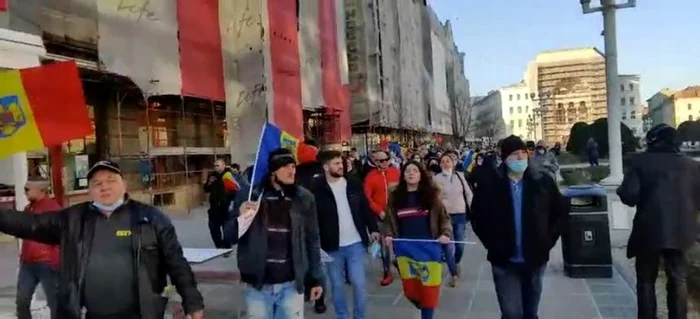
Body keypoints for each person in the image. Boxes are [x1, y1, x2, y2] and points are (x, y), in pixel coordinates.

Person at [0, 161, 204, 319]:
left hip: (142, 314)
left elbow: (176, 263)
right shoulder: (73, 219)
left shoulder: (151, 219)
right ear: (90, 190)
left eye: (111, 180)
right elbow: (28, 224)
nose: (104, 187)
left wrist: (192, 301)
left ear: (124, 184)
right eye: (97, 183)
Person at [470, 136, 568, 319]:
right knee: (511, 312)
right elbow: (477, 216)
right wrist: (491, 242)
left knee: (530, 312)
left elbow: (560, 212)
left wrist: (547, 240)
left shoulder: (542, 182)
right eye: (515, 154)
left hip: (535, 258)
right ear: (505, 158)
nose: (521, 158)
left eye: (523, 153)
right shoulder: (491, 184)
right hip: (504, 261)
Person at [227, 148, 324, 318]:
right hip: (258, 286)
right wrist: (239, 217)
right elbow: (228, 236)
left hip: (291, 285)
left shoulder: (304, 198)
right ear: (273, 171)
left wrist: (316, 278)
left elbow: (312, 240)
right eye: (286, 166)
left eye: (293, 166)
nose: (292, 170)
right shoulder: (249, 196)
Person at [617, 124, 700, 319]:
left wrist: (623, 189)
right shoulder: (693, 166)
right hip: (682, 231)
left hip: (648, 231)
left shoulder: (640, 162)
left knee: (646, 280)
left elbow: (629, 196)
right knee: (678, 280)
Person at [311, 150, 380, 319]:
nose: (340, 166)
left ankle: (359, 316)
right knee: (337, 285)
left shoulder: (353, 184)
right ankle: (342, 316)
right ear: (326, 167)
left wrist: (373, 228)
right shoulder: (316, 189)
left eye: (340, 163)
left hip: (355, 242)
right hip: (331, 245)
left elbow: (365, 208)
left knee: (359, 283)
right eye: (336, 163)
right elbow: (311, 216)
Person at [382, 161, 452, 319]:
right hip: (405, 251)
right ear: (403, 175)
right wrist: (388, 234)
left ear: (421, 175)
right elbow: (388, 221)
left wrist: (445, 234)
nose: (411, 173)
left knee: (429, 290)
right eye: (407, 171)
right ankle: (420, 303)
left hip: (429, 249)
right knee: (411, 289)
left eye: (415, 170)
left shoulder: (431, 196)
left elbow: (444, 218)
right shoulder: (395, 197)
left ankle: (427, 315)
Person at [17, 177, 62, 319]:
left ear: (41, 190)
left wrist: (57, 260)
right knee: (22, 301)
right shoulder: (28, 209)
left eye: (27, 189)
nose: (25, 193)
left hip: (48, 263)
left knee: (54, 303)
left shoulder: (54, 209)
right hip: (27, 263)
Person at [432, 153, 473, 287]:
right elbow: (433, 198)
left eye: (448, 161)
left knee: (460, 243)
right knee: (448, 245)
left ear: (453, 163)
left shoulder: (460, 176)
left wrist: (473, 208)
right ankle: (453, 273)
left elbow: (468, 193)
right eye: (442, 162)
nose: (445, 164)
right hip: (445, 216)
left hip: (460, 214)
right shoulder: (436, 179)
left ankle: (455, 262)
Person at [363, 150, 401, 286]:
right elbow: (367, 198)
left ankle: (399, 262)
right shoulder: (370, 177)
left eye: (386, 159)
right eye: (380, 160)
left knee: (399, 241)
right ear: (375, 162)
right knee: (384, 245)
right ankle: (387, 271)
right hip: (382, 216)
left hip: (397, 213)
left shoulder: (396, 172)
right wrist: (378, 210)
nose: (384, 162)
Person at [203, 159, 239, 249]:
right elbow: (206, 189)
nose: (215, 167)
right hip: (214, 209)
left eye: (218, 166)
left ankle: (227, 247)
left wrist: (230, 201)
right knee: (214, 229)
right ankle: (219, 247)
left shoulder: (228, 176)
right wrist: (209, 182)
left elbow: (236, 190)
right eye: (215, 166)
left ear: (223, 166)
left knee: (227, 232)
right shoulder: (212, 176)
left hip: (226, 208)